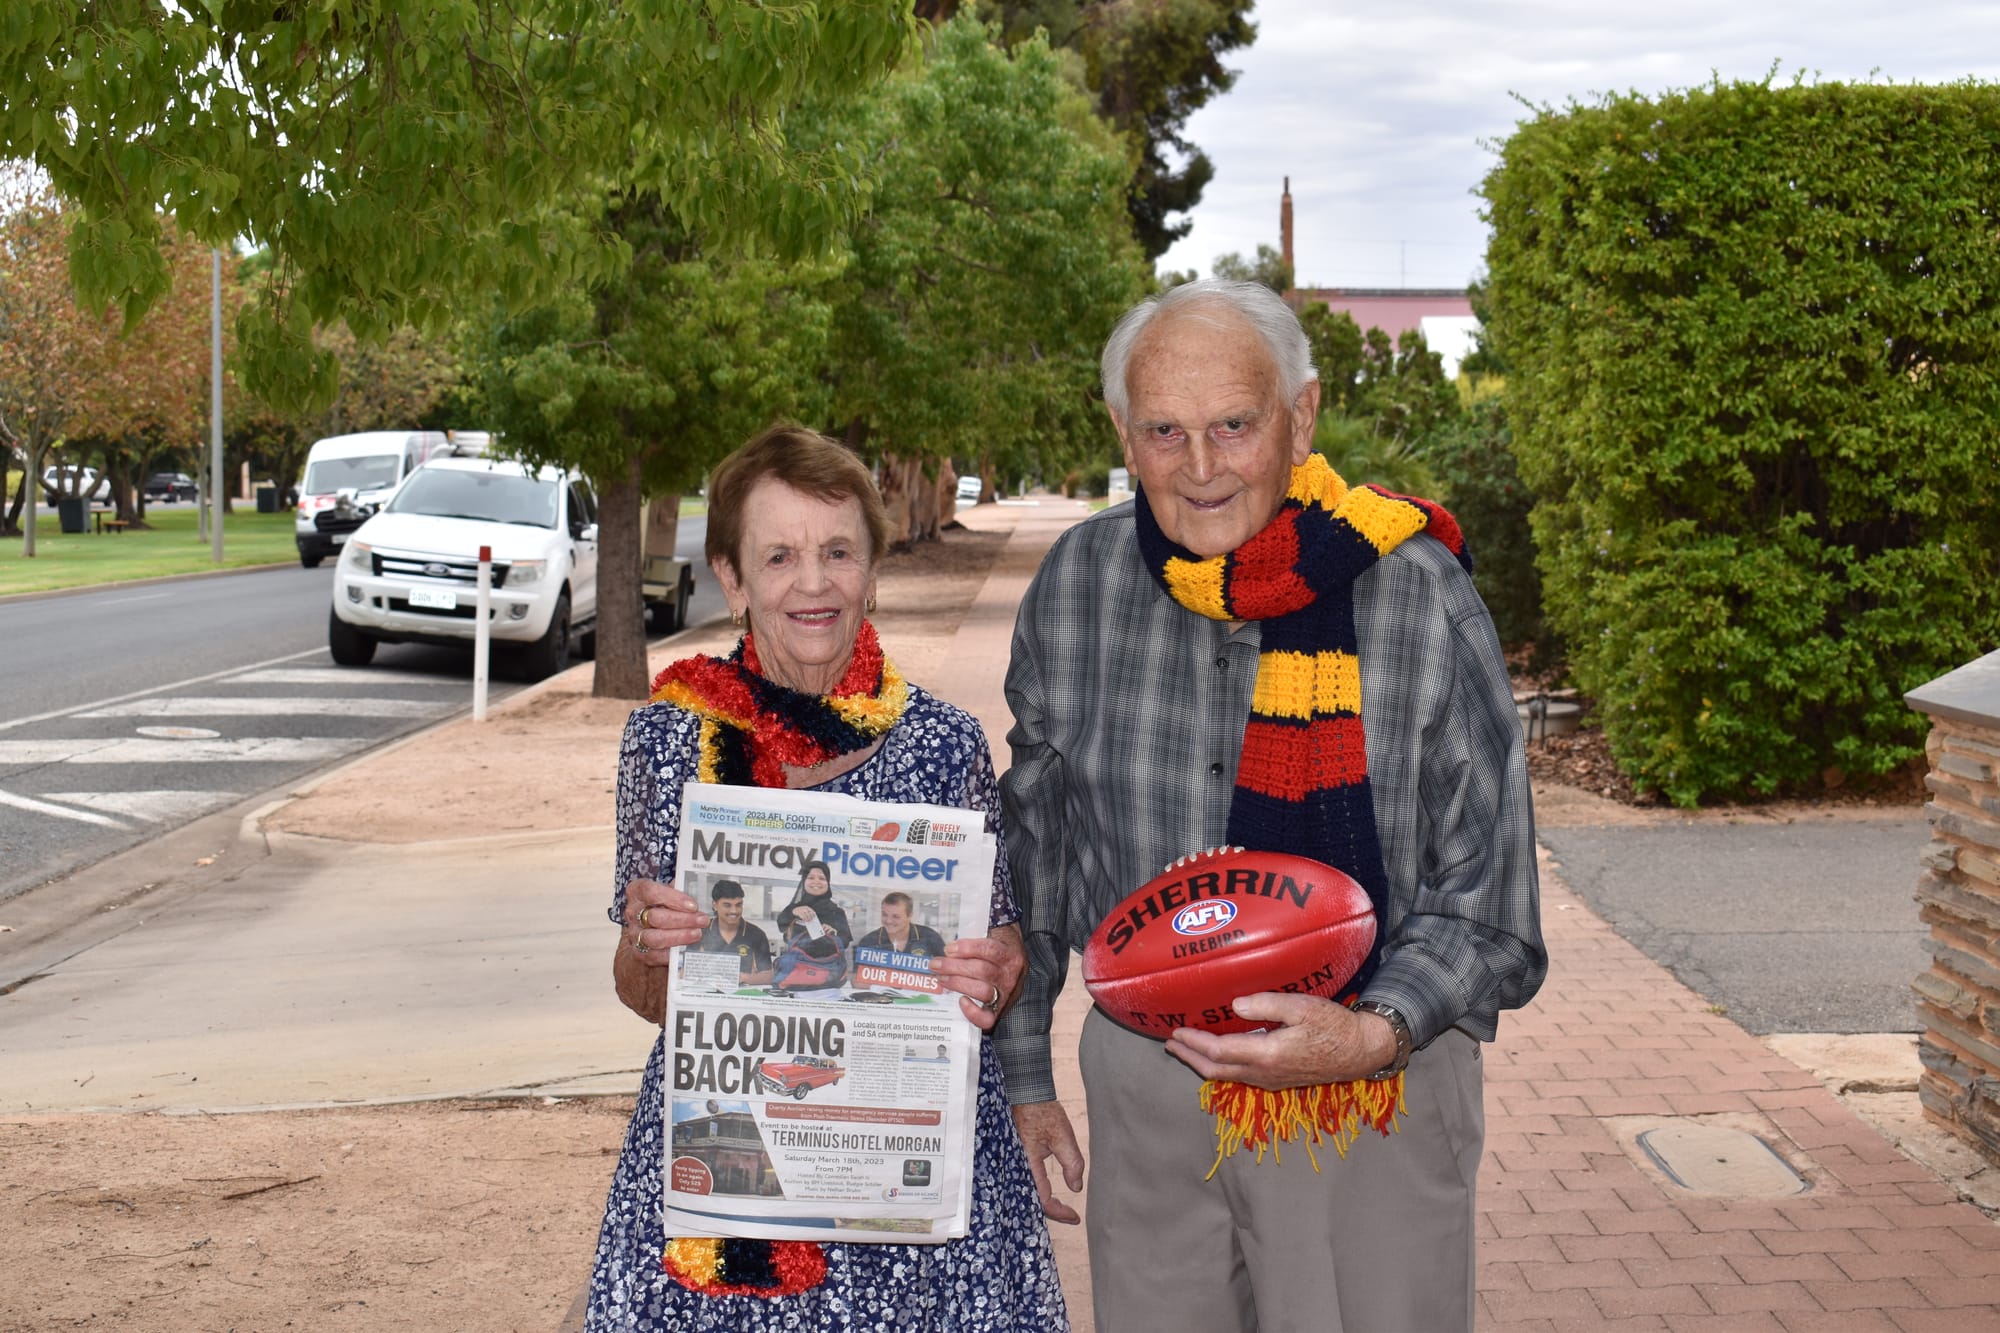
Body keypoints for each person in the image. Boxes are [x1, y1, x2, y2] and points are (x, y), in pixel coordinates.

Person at [995, 279, 1548, 1332]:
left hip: (1367, 1097)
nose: (1198, 468)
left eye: (1232, 426)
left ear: (1300, 417)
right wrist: (1024, 1072)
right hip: (1150, 1096)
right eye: (1162, 430)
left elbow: (1492, 902)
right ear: (1121, 431)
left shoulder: (1416, 592)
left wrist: (1370, 1032)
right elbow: (1035, 852)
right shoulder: (1075, 583)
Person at [586, 424, 1070, 1331]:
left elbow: (995, 961)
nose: (813, 582)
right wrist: (648, 945)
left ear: (872, 570)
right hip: (730, 1173)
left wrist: (995, 969)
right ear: (731, 577)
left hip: (913, 1179)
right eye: (780, 556)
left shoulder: (945, 744)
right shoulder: (667, 742)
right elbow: (644, 992)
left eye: (838, 551)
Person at [691, 879, 772, 986]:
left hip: (743, 996)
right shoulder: (701, 931)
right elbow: (685, 971)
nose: (734, 911)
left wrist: (744, 978)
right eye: (727, 905)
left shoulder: (757, 934)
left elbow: (769, 976)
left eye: (738, 905)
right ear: (715, 905)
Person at [773, 859, 853, 950]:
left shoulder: (837, 912)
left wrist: (833, 935)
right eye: (811, 878)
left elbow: (845, 941)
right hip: (796, 962)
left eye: (822, 878)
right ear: (804, 881)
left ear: (828, 883)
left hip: (826, 962)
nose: (816, 882)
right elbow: (781, 925)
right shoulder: (795, 908)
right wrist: (793, 912)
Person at [853, 891, 948, 960]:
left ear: (909, 915)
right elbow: (856, 981)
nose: (889, 921)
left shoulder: (930, 937)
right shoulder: (868, 942)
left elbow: (947, 972)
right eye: (885, 915)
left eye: (896, 916)